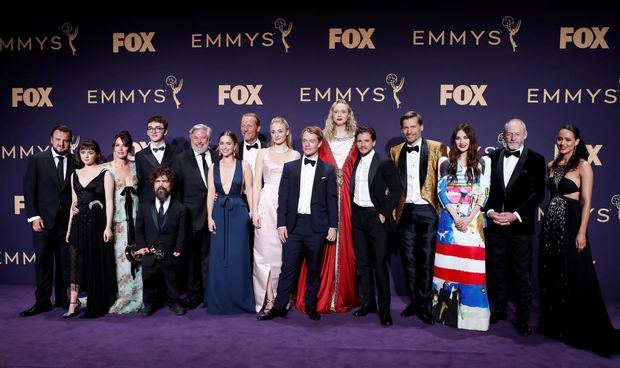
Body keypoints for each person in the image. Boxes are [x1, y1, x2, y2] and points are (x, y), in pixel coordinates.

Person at [537, 125, 620, 357]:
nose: (562, 143)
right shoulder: (551, 165)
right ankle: (554, 324)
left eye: (567, 139)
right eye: (559, 139)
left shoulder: (583, 165)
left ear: (576, 141)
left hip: (572, 223)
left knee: (571, 272)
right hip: (550, 224)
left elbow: (586, 201)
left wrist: (582, 231)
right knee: (551, 271)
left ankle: (574, 325)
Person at [258, 127, 338, 322]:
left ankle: (311, 306)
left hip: (316, 227)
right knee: (287, 270)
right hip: (293, 227)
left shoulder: (327, 169)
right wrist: (281, 224)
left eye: (312, 141)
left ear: (319, 143)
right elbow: (282, 198)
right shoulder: (290, 167)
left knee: (313, 270)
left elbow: (332, 200)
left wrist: (333, 226)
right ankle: (278, 308)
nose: (308, 144)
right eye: (305, 140)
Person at [296, 99, 359, 314]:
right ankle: (317, 296)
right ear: (331, 115)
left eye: (343, 111)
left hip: (349, 201)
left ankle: (342, 294)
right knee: (318, 246)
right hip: (324, 200)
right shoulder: (323, 137)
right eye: (336, 111)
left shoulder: (356, 139)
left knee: (347, 247)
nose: (339, 115)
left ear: (349, 114)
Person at [485, 119, 545, 336]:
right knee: (497, 271)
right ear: (503, 135)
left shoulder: (537, 160)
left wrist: (515, 215)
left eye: (517, 134)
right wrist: (491, 212)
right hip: (495, 225)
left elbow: (536, 194)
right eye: (509, 134)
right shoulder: (491, 158)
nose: (512, 138)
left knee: (522, 274)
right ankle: (499, 309)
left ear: (525, 134)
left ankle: (522, 318)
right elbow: (486, 191)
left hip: (520, 227)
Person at [431, 123, 491, 331]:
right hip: (449, 222)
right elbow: (441, 191)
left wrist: (468, 218)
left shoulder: (482, 163)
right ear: (454, 141)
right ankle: (445, 314)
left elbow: (484, 193)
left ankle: (473, 317)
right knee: (448, 268)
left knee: (470, 269)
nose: (462, 141)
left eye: (466, 137)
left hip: (472, 226)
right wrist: (456, 216)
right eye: (458, 138)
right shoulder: (446, 163)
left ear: (471, 140)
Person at [390, 111, 447, 325]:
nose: (409, 131)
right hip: (405, 211)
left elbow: (443, 181)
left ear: (421, 126)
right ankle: (414, 301)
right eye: (405, 127)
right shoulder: (395, 151)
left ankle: (424, 304)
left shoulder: (436, 147)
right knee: (409, 261)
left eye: (413, 126)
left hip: (428, 211)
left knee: (426, 259)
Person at [20, 125, 76, 317]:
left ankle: (62, 299)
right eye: (58, 139)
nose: (62, 143)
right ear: (51, 139)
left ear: (70, 141)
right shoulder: (37, 159)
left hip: (66, 223)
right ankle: (42, 301)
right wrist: (34, 216)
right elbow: (29, 191)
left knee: (64, 263)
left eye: (66, 140)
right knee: (43, 262)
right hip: (43, 221)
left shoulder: (74, 160)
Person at [350, 127, 402, 326]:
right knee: (362, 265)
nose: (362, 144)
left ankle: (385, 311)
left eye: (366, 141)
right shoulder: (354, 162)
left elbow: (397, 189)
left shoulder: (384, 162)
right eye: (359, 141)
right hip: (358, 217)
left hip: (376, 218)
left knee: (379, 265)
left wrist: (383, 213)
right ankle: (368, 303)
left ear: (374, 142)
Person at [252, 117, 300, 315]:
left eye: (280, 131)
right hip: (266, 206)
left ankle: (284, 296)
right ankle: (269, 298)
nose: (277, 135)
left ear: (287, 131)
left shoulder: (296, 154)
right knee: (264, 255)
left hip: (287, 207)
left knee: (284, 255)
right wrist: (254, 210)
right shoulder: (262, 153)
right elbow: (256, 184)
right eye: (273, 132)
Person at [64, 139, 116, 318]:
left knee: (94, 262)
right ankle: (73, 302)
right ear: (79, 154)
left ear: (97, 154)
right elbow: (73, 203)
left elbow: (109, 202)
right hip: (78, 223)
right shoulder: (74, 174)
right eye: (83, 152)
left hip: (97, 223)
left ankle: (96, 300)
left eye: (90, 152)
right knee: (75, 263)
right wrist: (69, 228)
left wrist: (108, 227)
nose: (86, 155)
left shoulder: (105, 173)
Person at [206, 132, 255, 314]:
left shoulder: (245, 166)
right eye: (222, 143)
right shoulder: (213, 167)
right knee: (219, 258)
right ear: (218, 146)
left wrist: (252, 212)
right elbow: (211, 192)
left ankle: (240, 300)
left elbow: (250, 190)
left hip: (239, 212)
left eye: (229, 143)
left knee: (238, 257)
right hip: (218, 212)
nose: (225, 146)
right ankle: (219, 301)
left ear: (235, 145)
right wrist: (209, 217)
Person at [173, 124, 218, 310]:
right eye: (196, 138)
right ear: (191, 139)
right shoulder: (180, 159)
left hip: (216, 216)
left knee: (211, 258)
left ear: (209, 139)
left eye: (203, 138)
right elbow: (177, 192)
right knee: (191, 260)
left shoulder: (218, 156)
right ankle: (193, 295)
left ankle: (211, 294)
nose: (199, 141)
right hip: (191, 217)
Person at [135, 167, 187, 317]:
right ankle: (149, 304)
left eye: (165, 181)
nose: (161, 184)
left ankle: (174, 302)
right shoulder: (144, 206)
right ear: (153, 184)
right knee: (149, 278)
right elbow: (139, 229)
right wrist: (142, 246)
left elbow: (182, 232)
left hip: (170, 252)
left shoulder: (180, 209)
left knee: (171, 280)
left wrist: (179, 248)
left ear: (171, 184)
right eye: (157, 181)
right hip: (149, 253)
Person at [104, 131, 143, 314]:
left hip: (137, 221)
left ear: (129, 147)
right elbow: (104, 198)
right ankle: (124, 297)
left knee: (138, 259)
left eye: (124, 145)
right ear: (113, 147)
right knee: (122, 262)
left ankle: (139, 297)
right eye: (117, 145)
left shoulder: (136, 167)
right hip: (118, 223)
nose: (121, 148)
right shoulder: (106, 169)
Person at [136, 116, 176, 204]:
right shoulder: (140, 156)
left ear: (165, 131)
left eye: (158, 128)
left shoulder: (177, 152)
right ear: (147, 132)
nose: (153, 132)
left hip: (172, 202)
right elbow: (140, 184)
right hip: (149, 203)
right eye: (150, 128)